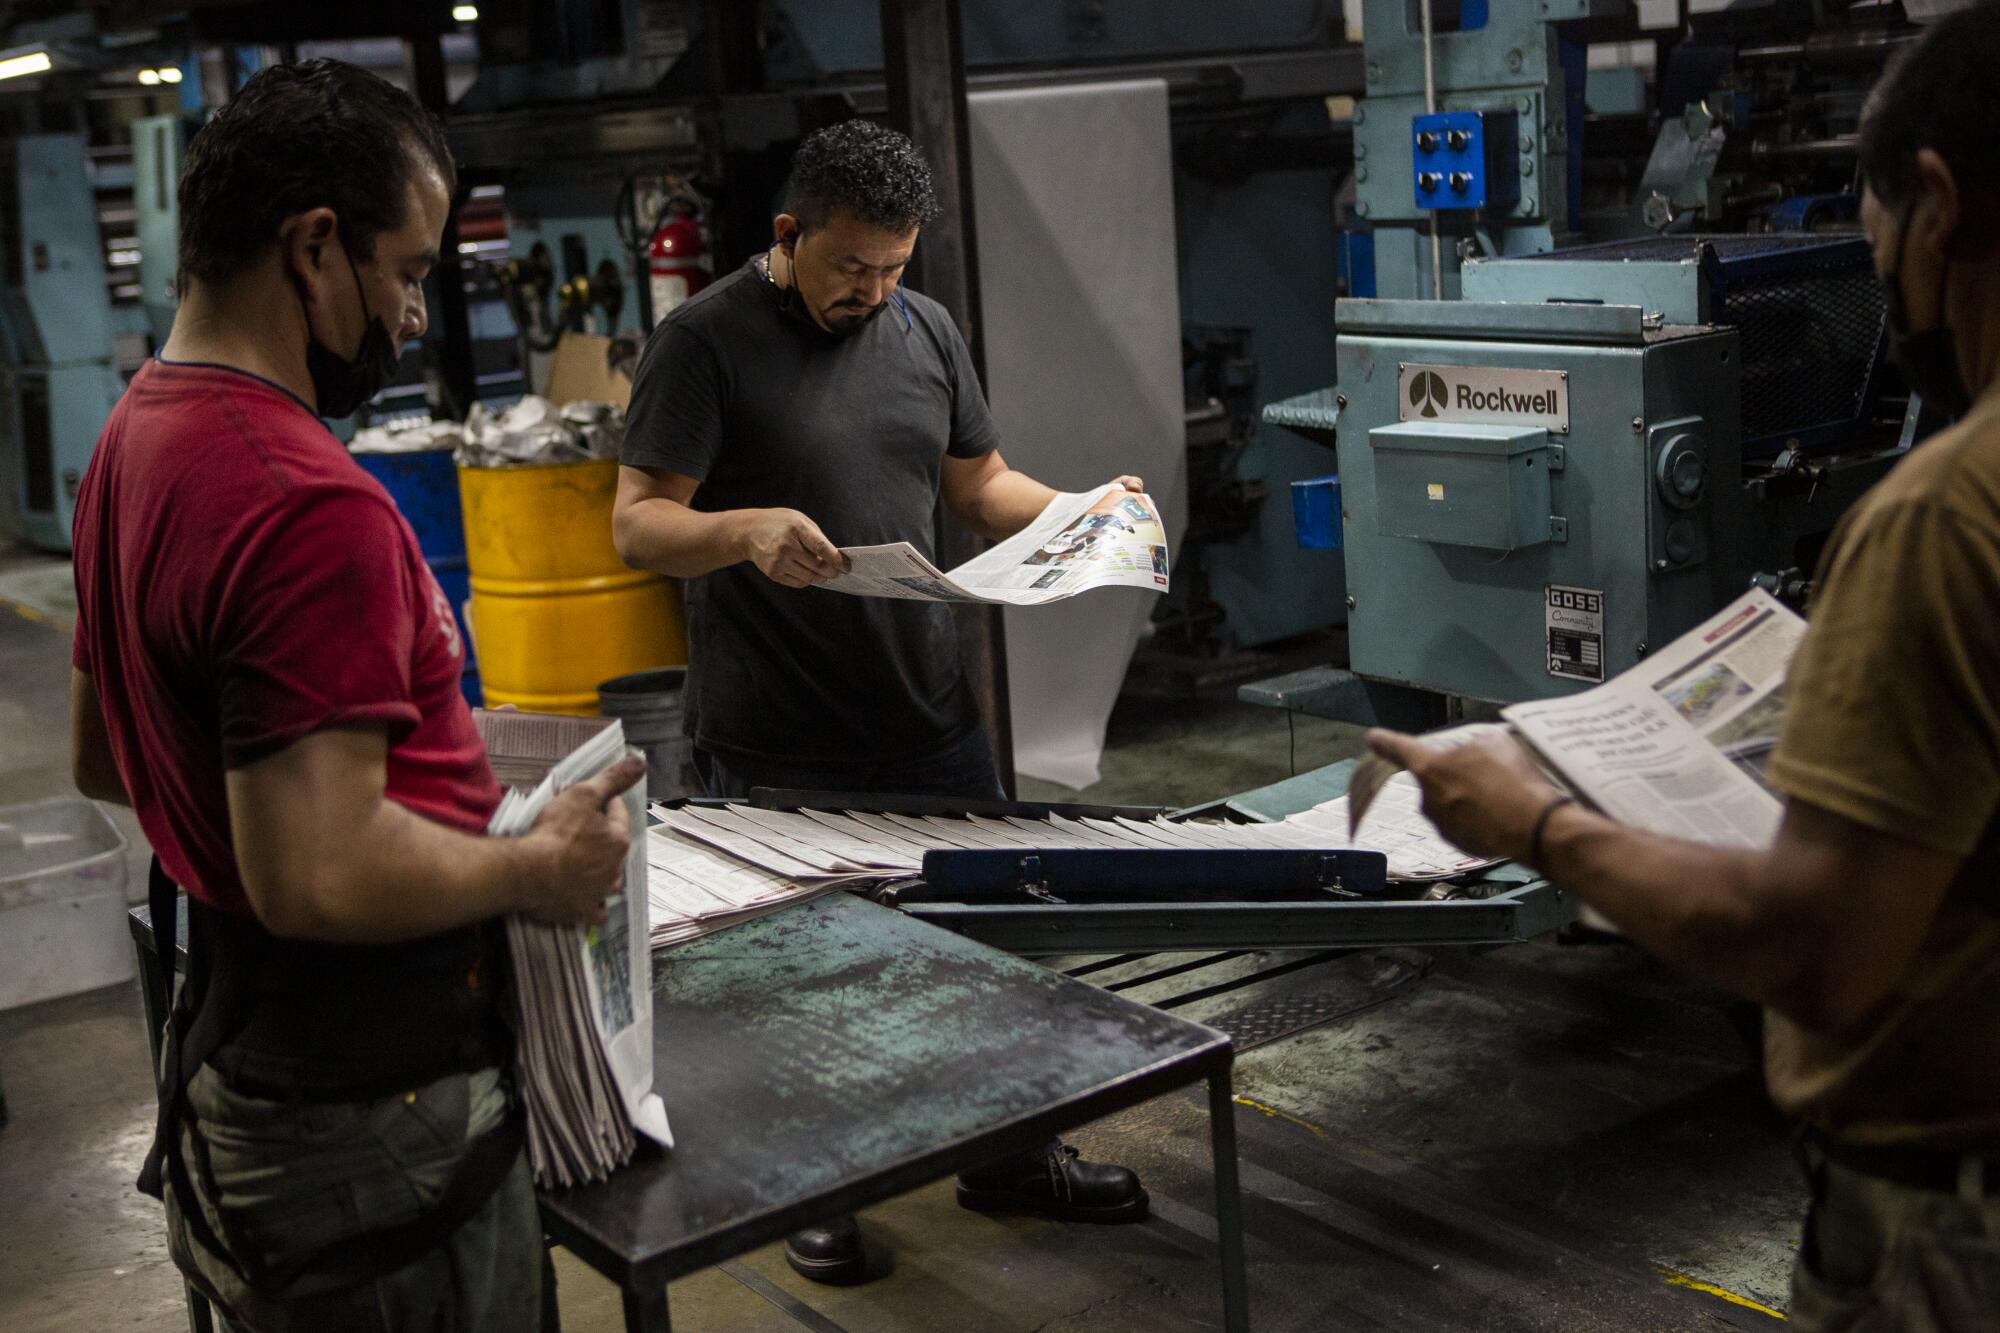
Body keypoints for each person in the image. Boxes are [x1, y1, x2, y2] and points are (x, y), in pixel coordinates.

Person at [1365, 9, 2000, 1328]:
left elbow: (1815, 949)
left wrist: (1536, 823)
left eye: (1878, 256)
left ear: (1937, 205)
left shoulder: (1949, 518)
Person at [68, 60, 643, 1331]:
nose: (415, 316)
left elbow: (111, 759)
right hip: (370, 1119)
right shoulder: (298, 499)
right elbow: (317, 874)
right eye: (407, 271)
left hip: (247, 1065)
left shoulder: (133, 441)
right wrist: (535, 869)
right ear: (314, 248)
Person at [613, 119, 1149, 1283]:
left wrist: (1082, 514)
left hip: (925, 710)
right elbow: (637, 520)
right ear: (788, 234)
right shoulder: (702, 341)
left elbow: (979, 485)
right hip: (772, 731)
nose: (873, 290)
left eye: (894, 267)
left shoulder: (924, 328)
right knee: (801, 983)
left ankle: (1007, 1156)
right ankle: (819, 1187)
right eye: (850, 267)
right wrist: (743, 529)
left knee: (991, 953)